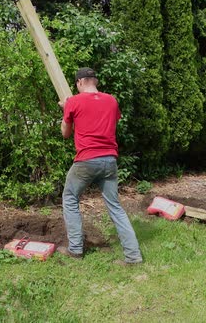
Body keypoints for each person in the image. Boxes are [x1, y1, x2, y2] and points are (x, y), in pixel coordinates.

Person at [57, 67, 143, 265]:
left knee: (70, 198)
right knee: (115, 207)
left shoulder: (74, 102)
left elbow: (65, 133)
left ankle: (76, 249)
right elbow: (109, 123)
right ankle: (133, 256)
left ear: (79, 82)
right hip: (110, 160)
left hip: (86, 160)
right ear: (95, 81)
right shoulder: (111, 101)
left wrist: (66, 110)